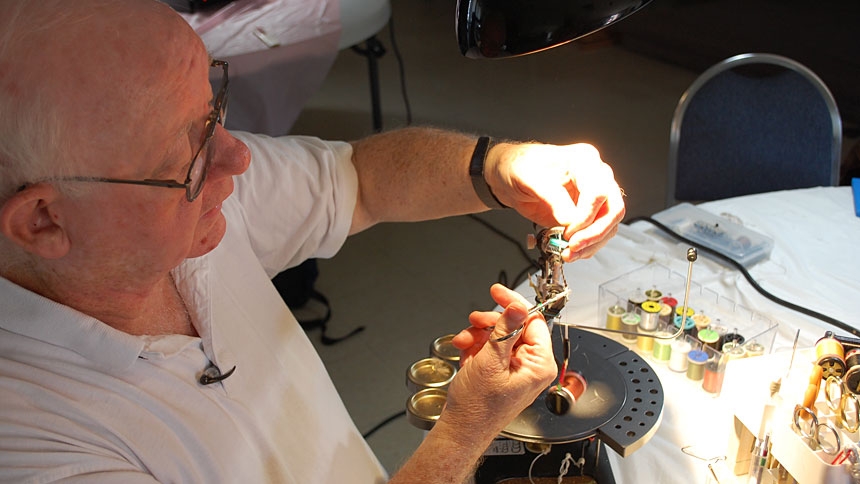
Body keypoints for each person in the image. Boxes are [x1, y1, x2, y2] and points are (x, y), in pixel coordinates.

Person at [0, 1, 625, 482]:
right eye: (187, 153)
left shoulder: (183, 209)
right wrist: (465, 428)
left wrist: (500, 167)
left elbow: (361, 180)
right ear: (43, 222)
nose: (237, 157)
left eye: (212, 111)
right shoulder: (37, 447)